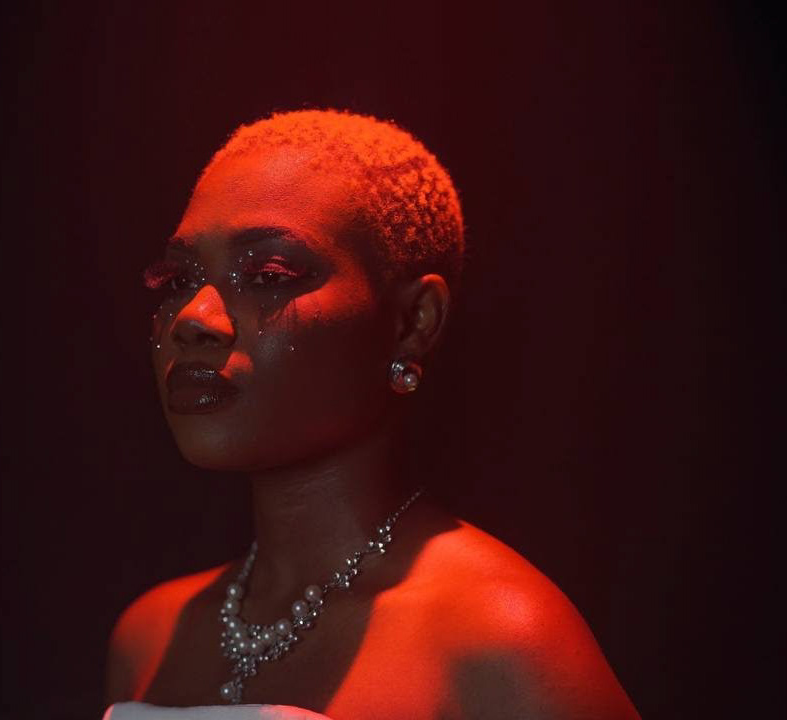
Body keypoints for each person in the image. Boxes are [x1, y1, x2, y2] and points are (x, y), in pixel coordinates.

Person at [104, 109, 640, 719]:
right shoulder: (146, 638)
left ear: (413, 323)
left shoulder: (497, 641)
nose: (193, 318)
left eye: (268, 275)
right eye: (177, 280)